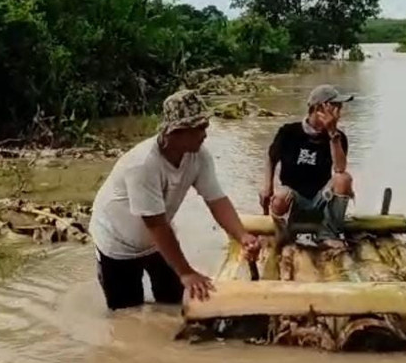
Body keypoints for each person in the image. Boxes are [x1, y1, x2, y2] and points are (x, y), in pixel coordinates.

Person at [89, 89, 261, 311]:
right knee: (127, 313)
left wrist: (242, 235)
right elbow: (155, 223)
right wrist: (186, 272)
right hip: (118, 243)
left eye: (205, 127)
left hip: (156, 242)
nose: (205, 134)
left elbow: (216, 199)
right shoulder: (143, 165)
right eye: (198, 128)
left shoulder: (199, 156)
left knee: (174, 302)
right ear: (176, 131)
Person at [259, 84, 355, 248]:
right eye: (336, 106)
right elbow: (271, 157)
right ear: (319, 108)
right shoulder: (289, 132)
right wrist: (267, 186)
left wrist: (332, 134)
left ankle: (328, 233)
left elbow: (339, 169)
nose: (340, 111)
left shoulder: (338, 137)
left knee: (344, 179)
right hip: (294, 198)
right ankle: (284, 231)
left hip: (321, 198)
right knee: (281, 197)